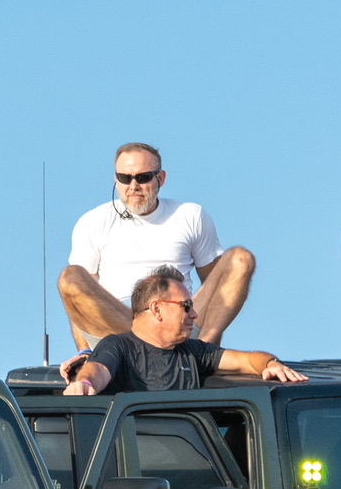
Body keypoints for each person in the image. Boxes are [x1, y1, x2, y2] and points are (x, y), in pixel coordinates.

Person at [59, 143, 256, 346]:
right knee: (70, 276)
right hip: (121, 334)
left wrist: (210, 343)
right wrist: (84, 353)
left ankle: (202, 352)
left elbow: (216, 290)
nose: (133, 186)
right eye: (125, 178)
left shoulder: (190, 216)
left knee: (240, 259)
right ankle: (138, 349)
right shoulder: (93, 222)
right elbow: (77, 300)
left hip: (178, 323)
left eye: (143, 177)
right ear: (116, 180)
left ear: (160, 178)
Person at [60, 267, 308, 395]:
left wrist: (271, 364)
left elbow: (246, 360)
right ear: (157, 309)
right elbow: (98, 370)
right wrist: (84, 383)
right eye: (186, 306)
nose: (194, 314)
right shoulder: (118, 346)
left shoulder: (192, 351)